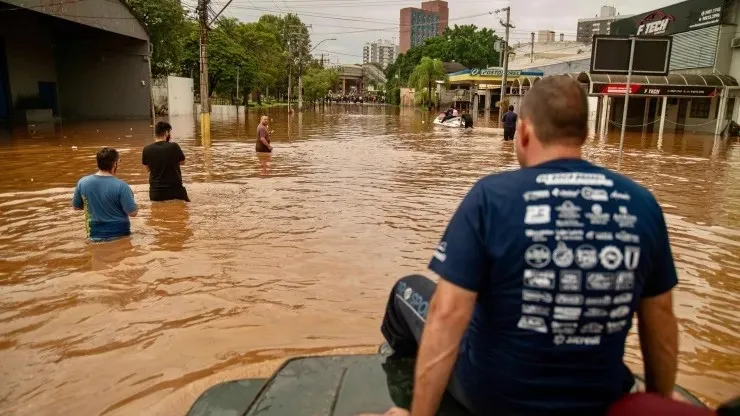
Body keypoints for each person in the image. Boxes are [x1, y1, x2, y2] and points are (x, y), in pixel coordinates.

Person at [375, 76, 679, 416]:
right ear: (585, 135)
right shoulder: (641, 203)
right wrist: (657, 405)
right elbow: (661, 323)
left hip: (493, 399)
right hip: (601, 399)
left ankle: (398, 369)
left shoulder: (491, 197)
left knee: (407, 290)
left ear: (522, 132)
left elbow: (447, 314)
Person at [72, 147, 138, 241]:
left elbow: (76, 207)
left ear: (98, 163)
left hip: (93, 234)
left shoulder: (82, 182)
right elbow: (132, 213)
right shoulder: (122, 186)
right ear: (114, 164)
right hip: (120, 234)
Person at [142, 121, 189, 202]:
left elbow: (148, 170)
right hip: (175, 192)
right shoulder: (174, 146)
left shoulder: (146, 149)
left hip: (156, 193)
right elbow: (183, 162)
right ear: (166, 133)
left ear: (155, 133)